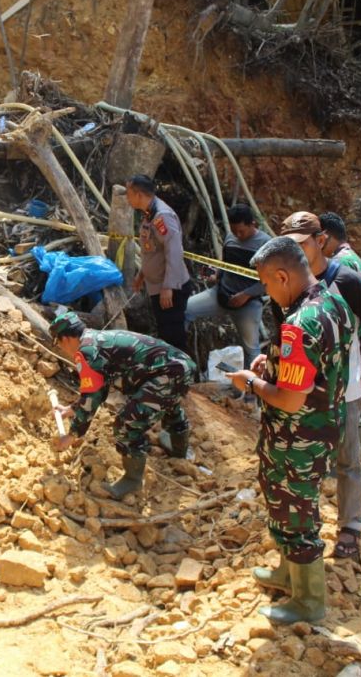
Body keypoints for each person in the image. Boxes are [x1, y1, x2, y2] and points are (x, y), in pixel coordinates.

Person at [227, 235, 353, 624]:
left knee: (296, 514)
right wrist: (274, 363)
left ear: (282, 276)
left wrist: (251, 383)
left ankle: (308, 601)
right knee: (286, 505)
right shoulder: (332, 301)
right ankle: (288, 575)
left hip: (296, 438)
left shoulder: (299, 324)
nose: (266, 292)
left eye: (266, 283)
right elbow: (317, 367)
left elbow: (290, 399)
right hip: (323, 428)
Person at [280, 212, 361, 560]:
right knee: (303, 458)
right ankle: (303, 530)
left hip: (344, 390)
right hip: (304, 389)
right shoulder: (291, 281)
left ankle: (351, 527)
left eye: (302, 245)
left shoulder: (347, 279)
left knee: (348, 460)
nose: (296, 253)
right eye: (290, 247)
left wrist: (353, 366)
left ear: (320, 240)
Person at [51, 312, 197, 499]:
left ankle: (132, 480)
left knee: (126, 424)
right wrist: (71, 410)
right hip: (180, 366)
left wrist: (72, 435)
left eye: (58, 343)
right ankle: (179, 452)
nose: (61, 348)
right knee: (168, 403)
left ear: (65, 339)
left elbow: (92, 397)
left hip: (168, 372)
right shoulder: (95, 339)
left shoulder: (86, 353)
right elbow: (97, 390)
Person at [185, 203, 271, 368]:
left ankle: (252, 384)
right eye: (234, 230)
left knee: (251, 350)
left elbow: (270, 281)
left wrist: (246, 294)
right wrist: (216, 276)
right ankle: (178, 361)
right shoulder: (230, 238)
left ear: (253, 224)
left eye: (241, 231)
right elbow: (226, 264)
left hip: (248, 303)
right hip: (221, 294)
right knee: (186, 309)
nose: (237, 235)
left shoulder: (266, 245)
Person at [126, 175, 191, 352]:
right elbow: (152, 251)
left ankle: (181, 368)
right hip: (158, 287)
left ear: (139, 195)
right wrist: (141, 275)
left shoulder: (162, 216)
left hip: (170, 290)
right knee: (166, 334)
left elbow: (174, 252)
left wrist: (169, 287)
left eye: (129, 194)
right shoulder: (150, 214)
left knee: (174, 338)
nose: (127, 198)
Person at [318, 212, 361, 285]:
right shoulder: (350, 257)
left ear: (325, 236)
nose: (318, 244)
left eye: (319, 240)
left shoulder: (340, 262)